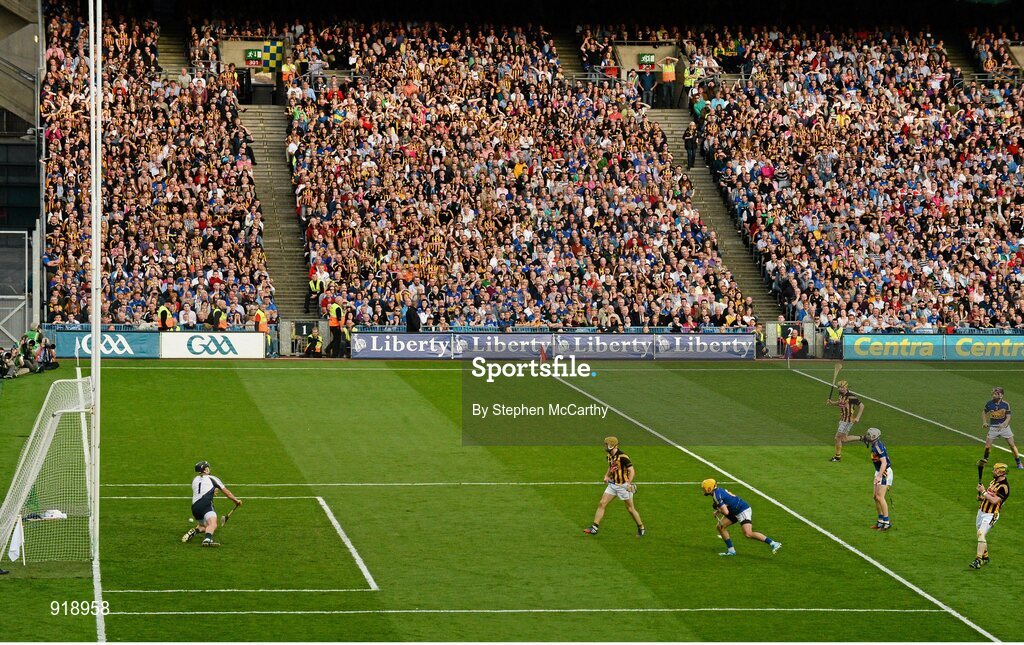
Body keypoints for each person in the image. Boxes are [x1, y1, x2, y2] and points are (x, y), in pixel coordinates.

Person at [701, 479, 781, 556]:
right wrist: (718, 511)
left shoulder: (716, 496)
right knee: (720, 527)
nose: (703, 490)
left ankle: (773, 543)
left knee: (748, 533)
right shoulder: (718, 491)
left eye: (704, 488)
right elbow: (727, 503)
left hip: (742, 510)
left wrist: (718, 509)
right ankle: (731, 550)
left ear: (709, 488)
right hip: (735, 510)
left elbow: (726, 512)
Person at [584, 437, 645, 537]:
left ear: (612, 445)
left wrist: (629, 484)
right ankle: (594, 528)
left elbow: (632, 471)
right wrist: (607, 475)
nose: (604, 446)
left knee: (630, 509)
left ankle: (641, 526)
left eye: (606, 444)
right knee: (602, 503)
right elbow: (611, 466)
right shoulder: (609, 456)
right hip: (613, 485)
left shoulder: (623, 456)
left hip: (623, 486)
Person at [182, 461, 242, 547]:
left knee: (204, 526)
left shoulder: (194, 480)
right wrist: (236, 501)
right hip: (205, 504)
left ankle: (195, 531)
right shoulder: (212, 478)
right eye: (208, 467)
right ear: (205, 470)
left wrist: (212, 490)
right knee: (212, 524)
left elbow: (201, 489)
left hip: (195, 507)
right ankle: (207, 540)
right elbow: (227, 493)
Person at [970, 463, 1010, 569]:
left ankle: (978, 560)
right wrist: (982, 498)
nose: (993, 471)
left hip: (991, 515)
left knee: (981, 533)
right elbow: (989, 497)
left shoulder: (1004, 487)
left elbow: (994, 500)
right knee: (980, 535)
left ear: (1001, 472)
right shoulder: (993, 482)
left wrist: (983, 491)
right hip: (981, 511)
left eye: (995, 470)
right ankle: (985, 557)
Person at [855, 427, 892, 530]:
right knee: (875, 497)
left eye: (869, 435)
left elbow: (884, 463)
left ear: (874, 436)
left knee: (880, 497)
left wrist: (879, 476)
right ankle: (880, 521)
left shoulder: (878, 447)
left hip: (884, 472)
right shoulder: (874, 444)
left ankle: (887, 522)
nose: (867, 436)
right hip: (879, 471)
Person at [979, 387, 1023, 470]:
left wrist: (1004, 424)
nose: (994, 395)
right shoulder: (989, 403)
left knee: (1012, 445)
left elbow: (1008, 416)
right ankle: (985, 460)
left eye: (996, 394)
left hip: (1005, 428)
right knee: (987, 446)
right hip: (993, 429)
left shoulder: (1006, 404)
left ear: (1001, 395)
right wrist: (984, 422)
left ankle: (1018, 462)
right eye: (994, 393)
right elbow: (984, 412)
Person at [826, 380, 864, 462]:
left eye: (842, 387)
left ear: (846, 387)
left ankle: (837, 457)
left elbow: (861, 406)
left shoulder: (851, 397)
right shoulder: (841, 394)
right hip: (843, 419)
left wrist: (858, 417)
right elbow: (840, 403)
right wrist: (832, 403)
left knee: (837, 437)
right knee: (844, 439)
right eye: (839, 387)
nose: (840, 389)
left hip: (847, 420)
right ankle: (863, 438)